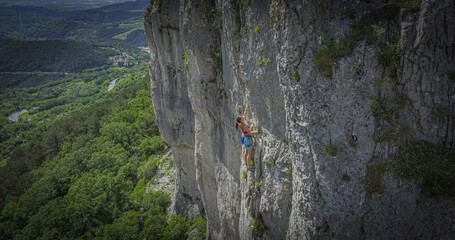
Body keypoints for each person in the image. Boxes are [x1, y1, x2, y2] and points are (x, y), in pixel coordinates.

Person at [235, 104, 261, 171]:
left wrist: (246, 107)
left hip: (245, 139)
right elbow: (250, 133)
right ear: (241, 120)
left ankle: (246, 163)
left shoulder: (241, 124)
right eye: (241, 117)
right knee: (249, 154)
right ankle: (249, 167)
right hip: (248, 139)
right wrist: (257, 132)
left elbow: (244, 115)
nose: (243, 117)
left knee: (246, 152)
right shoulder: (244, 126)